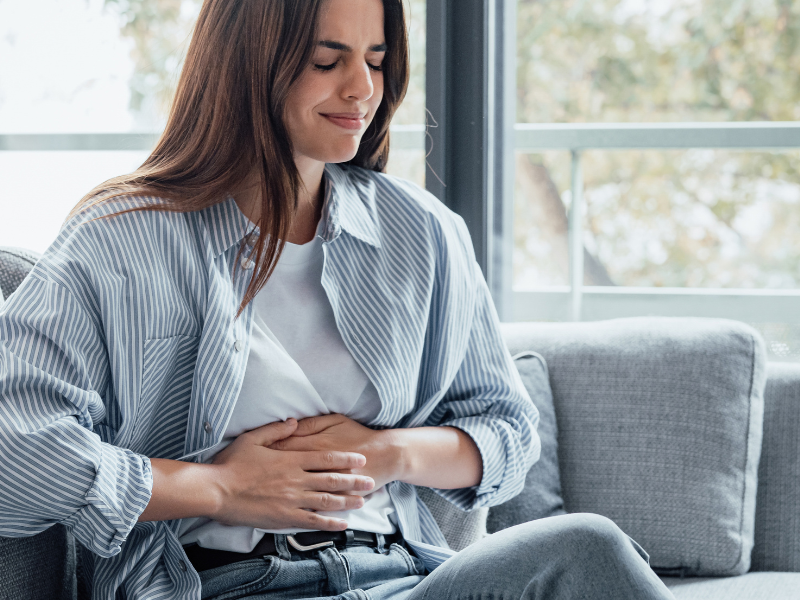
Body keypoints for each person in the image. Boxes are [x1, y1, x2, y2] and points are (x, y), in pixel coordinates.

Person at [0, 0, 676, 598]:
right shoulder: (121, 241)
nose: (362, 89)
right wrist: (221, 488)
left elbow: (508, 432)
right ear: (251, 64)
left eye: (376, 61)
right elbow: (16, 448)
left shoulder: (423, 233)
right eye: (329, 61)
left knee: (588, 550)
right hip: (225, 583)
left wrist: (388, 453)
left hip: (404, 576)